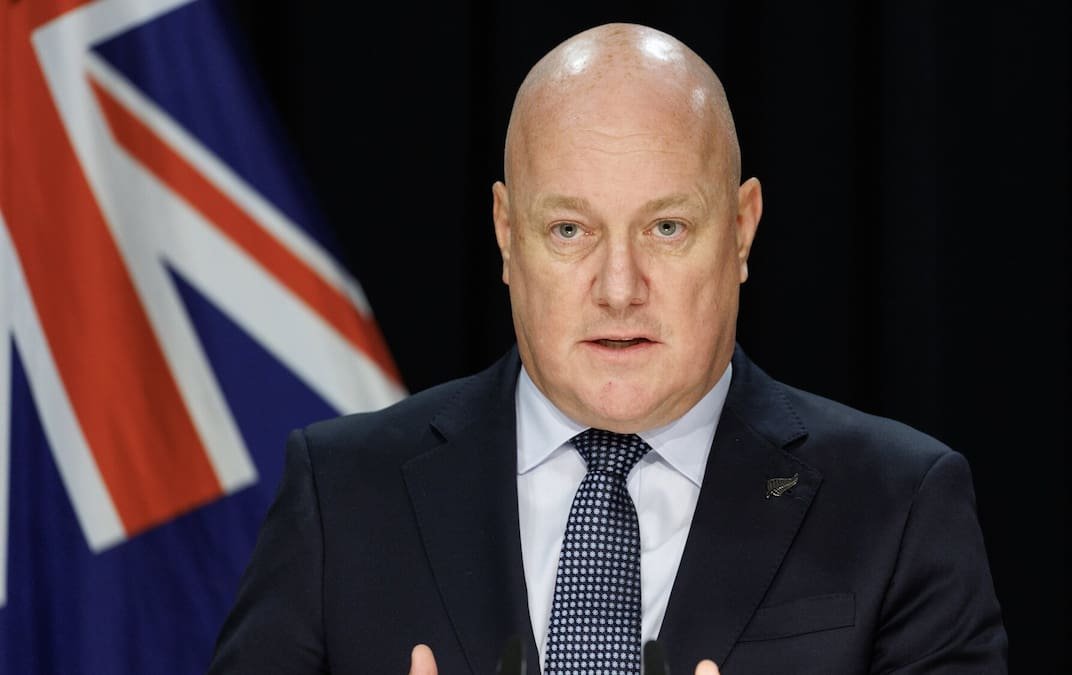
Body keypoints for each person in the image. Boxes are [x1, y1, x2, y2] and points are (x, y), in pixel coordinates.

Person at [207, 22, 1007, 675]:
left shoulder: (899, 506)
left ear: (741, 230)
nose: (619, 287)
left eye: (667, 227)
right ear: (506, 234)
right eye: (569, 229)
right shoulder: (341, 495)